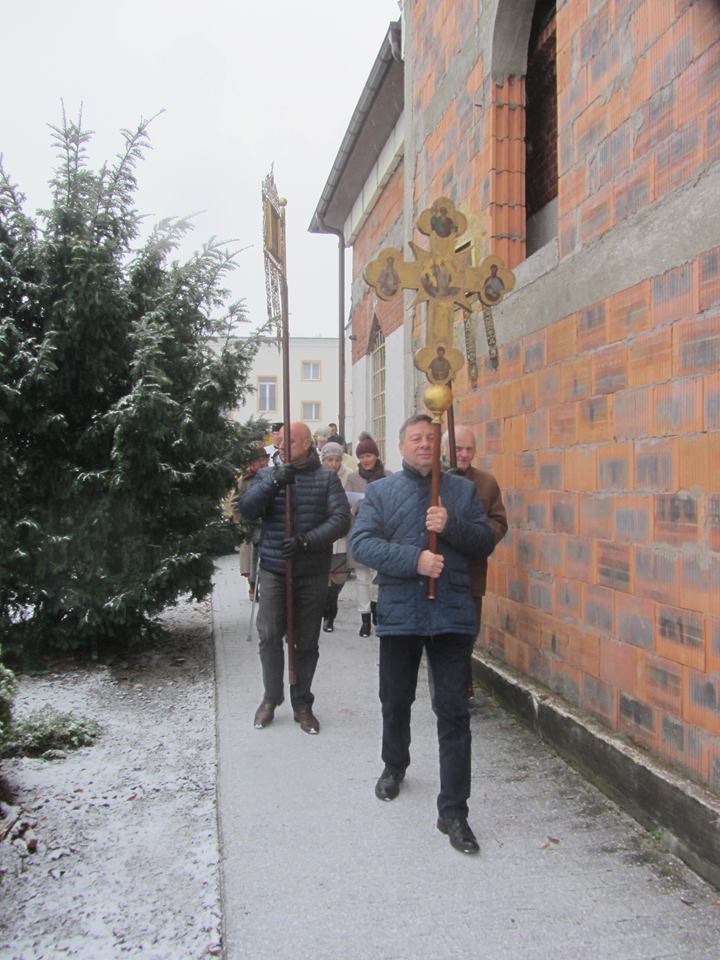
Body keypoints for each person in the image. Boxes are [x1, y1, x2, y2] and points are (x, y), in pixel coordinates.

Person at [350, 413, 495, 855]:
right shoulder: (381, 492)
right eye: (416, 439)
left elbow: (484, 541)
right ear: (402, 446)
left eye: (431, 439)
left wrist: (450, 525)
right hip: (400, 614)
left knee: (453, 711)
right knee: (395, 699)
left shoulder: (462, 491)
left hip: (451, 615)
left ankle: (454, 811)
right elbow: (361, 544)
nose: (425, 445)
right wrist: (414, 560)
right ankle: (394, 764)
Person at [234, 421, 350, 735]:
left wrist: (306, 541)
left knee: (306, 642)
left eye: (291, 441)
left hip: (311, 571)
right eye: (281, 441)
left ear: (307, 443)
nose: (283, 446)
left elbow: (341, 520)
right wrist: (273, 482)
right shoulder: (267, 475)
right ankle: (271, 697)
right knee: (270, 635)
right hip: (274, 569)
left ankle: (302, 703)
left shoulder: (326, 479)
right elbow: (247, 510)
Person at [443, 425, 508, 696]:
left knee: (468, 634)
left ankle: (461, 682)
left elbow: (499, 522)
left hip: (472, 575)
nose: (464, 454)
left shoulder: (486, 483)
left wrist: (479, 538)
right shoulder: (432, 480)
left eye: (469, 449)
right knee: (442, 640)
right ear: (445, 449)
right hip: (439, 573)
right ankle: (448, 694)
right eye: (458, 449)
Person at [345, 433, 391, 637]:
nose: (366, 460)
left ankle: (377, 612)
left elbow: (393, 502)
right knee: (362, 578)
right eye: (362, 456)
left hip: (382, 532)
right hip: (360, 532)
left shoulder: (387, 475)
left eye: (369, 455)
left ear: (376, 455)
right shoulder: (353, 478)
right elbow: (348, 505)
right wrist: (359, 505)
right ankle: (364, 618)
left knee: (378, 576)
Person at [319, 441, 352, 632]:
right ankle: (328, 615)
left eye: (337, 460)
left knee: (339, 576)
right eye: (329, 460)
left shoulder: (349, 475)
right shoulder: (317, 475)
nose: (333, 464)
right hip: (322, 532)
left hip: (341, 533)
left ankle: (331, 603)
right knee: (324, 576)